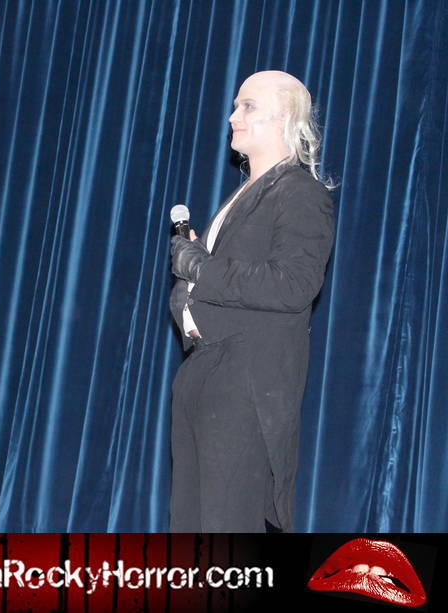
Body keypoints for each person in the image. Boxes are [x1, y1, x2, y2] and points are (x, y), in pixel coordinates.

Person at [169, 71, 335, 532]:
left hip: (246, 379)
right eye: (235, 106)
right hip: (205, 368)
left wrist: (201, 269)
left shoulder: (300, 192)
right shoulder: (243, 195)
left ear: (284, 117)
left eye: (248, 106)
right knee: (189, 525)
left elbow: (294, 284)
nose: (233, 117)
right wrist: (187, 297)